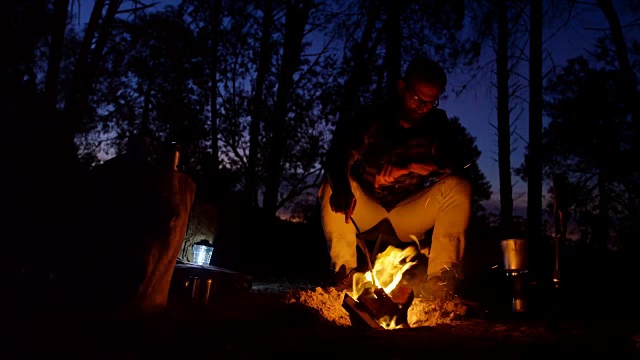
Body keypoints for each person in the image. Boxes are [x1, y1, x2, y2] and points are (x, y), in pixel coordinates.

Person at [318, 56, 473, 300]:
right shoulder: (373, 118)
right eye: (416, 99)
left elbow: (459, 163)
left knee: (459, 187)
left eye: (429, 102)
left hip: (407, 212)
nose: (421, 107)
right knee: (333, 184)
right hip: (365, 206)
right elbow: (339, 156)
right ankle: (344, 274)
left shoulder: (437, 125)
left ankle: (440, 283)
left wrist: (412, 166)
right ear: (402, 88)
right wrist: (343, 188)